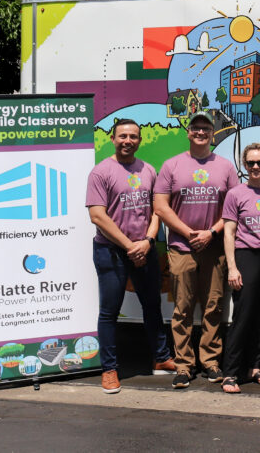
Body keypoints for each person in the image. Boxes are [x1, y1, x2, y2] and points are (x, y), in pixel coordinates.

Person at [86, 118, 176, 394]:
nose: (128, 140)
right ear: (113, 139)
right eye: (122, 136)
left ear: (140, 140)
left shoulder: (148, 170)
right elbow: (97, 215)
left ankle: (161, 358)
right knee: (109, 311)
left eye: (133, 136)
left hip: (144, 249)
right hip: (111, 251)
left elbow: (156, 211)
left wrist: (148, 241)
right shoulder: (100, 172)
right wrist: (130, 246)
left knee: (152, 306)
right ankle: (110, 369)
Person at [153, 111, 238, 389]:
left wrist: (211, 232)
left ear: (213, 134)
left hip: (214, 248)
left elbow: (233, 208)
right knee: (183, 308)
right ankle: (184, 365)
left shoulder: (225, 166)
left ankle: (211, 362)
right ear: (188, 132)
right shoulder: (172, 165)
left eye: (206, 128)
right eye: (196, 128)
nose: (201, 132)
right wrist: (188, 232)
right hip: (180, 246)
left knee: (213, 307)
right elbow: (161, 206)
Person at [220, 143, 260, 394]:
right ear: (244, 166)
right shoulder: (235, 194)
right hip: (246, 256)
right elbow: (229, 232)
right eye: (250, 163)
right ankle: (230, 373)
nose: (255, 167)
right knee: (243, 317)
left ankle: (255, 367)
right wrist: (232, 268)